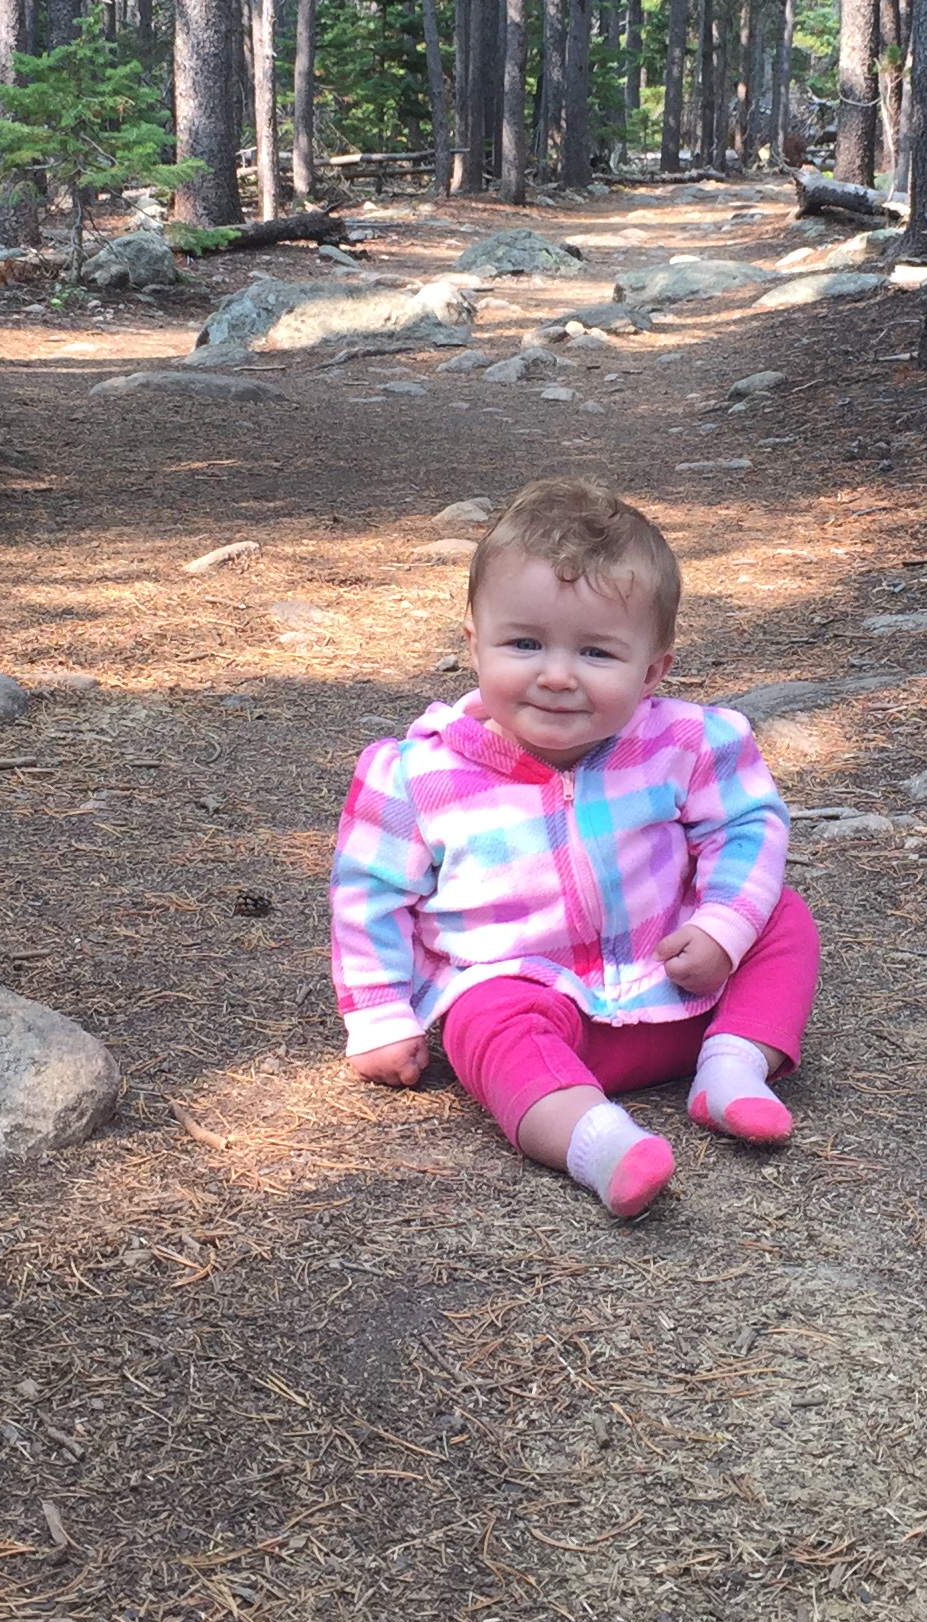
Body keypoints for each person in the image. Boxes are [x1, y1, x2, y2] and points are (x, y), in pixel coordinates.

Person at [330, 477, 820, 1221]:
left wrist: (723, 928)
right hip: (534, 1001)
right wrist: (379, 1017)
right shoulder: (416, 775)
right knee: (481, 1020)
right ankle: (596, 1142)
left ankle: (733, 1069)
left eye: (596, 652)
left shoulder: (688, 742)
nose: (556, 675)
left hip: (683, 983)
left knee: (781, 916)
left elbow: (747, 830)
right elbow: (368, 898)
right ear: (474, 642)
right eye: (524, 644)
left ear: (653, 670)